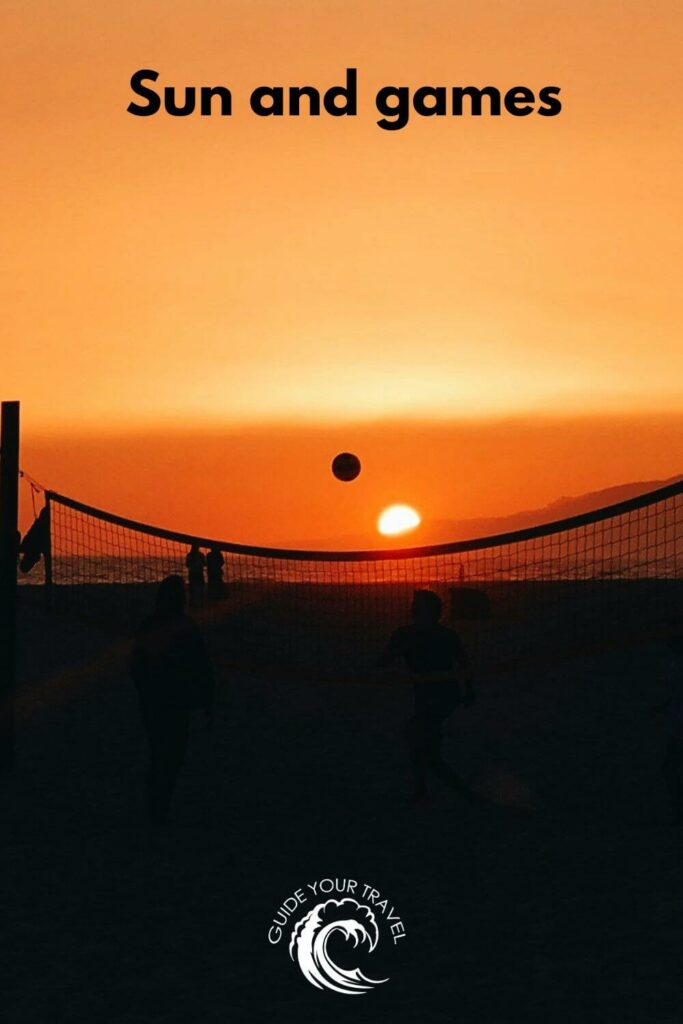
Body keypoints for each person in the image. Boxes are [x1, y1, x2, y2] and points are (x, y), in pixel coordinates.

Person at [129, 575, 214, 825]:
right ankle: (158, 810)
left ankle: (157, 808)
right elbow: (202, 666)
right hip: (170, 703)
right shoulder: (178, 626)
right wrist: (207, 698)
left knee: (164, 756)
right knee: (167, 756)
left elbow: (202, 665)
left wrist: (206, 698)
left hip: (164, 703)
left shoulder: (161, 625)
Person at [378, 589, 476, 804]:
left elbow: (465, 663)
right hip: (434, 697)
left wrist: (469, 691)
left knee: (421, 744)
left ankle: (458, 794)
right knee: (422, 745)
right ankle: (428, 792)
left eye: (416, 604)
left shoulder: (434, 635)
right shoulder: (410, 634)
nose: (412, 607)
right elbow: (384, 661)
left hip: (442, 697)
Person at [650, 626, 683, 825]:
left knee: (670, 768)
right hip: (678, 726)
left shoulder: (676, 666)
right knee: (670, 768)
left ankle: (679, 810)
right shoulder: (675, 666)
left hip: (680, 728)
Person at [185, 543, 206, 608]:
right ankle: (200, 604)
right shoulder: (200, 555)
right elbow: (204, 564)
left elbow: (187, 565)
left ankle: (193, 604)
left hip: (193, 573)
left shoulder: (190, 555)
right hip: (197, 573)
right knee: (199, 589)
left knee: (193, 589)